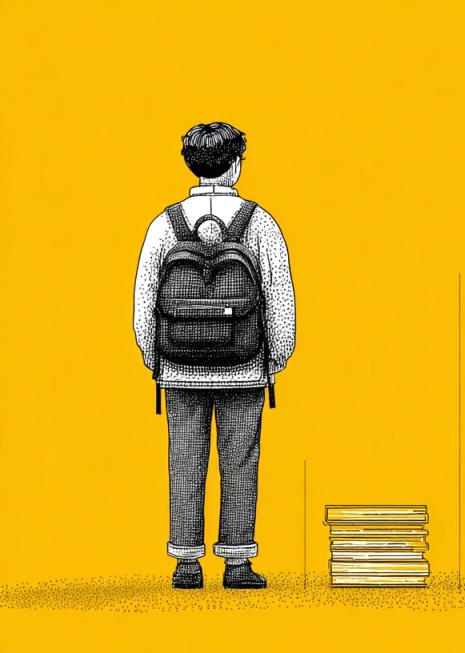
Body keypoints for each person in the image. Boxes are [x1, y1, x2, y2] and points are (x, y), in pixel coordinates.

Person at [133, 122, 296, 589]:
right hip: (244, 364)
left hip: (180, 366)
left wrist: (155, 355)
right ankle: (238, 562)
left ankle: (186, 562)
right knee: (241, 458)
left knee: (184, 457)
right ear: (237, 163)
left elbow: (145, 299)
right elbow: (278, 296)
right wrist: (276, 356)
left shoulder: (166, 223)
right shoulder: (259, 222)